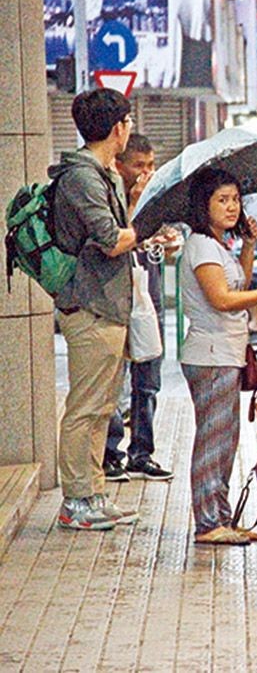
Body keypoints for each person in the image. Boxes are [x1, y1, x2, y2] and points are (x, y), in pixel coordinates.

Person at [179, 168, 257, 545]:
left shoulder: (218, 244)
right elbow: (223, 299)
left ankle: (221, 518)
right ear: (204, 205)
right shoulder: (199, 244)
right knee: (213, 439)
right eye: (222, 200)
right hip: (210, 353)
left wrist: (248, 245)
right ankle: (208, 522)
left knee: (225, 438)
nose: (232, 207)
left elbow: (239, 284)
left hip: (226, 352)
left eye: (235, 199)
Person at [50, 88, 141, 531]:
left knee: (103, 407)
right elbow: (110, 240)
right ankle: (76, 501)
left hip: (106, 306)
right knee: (85, 407)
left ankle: (94, 492)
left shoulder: (101, 173)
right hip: (88, 305)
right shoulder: (83, 178)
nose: (130, 129)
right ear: (116, 127)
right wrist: (141, 229)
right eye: (127, 121)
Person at [103, 134, 176, 483]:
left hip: (150, 290)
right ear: (120, 165)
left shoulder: (157, 197)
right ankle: (110, 452)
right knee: (114, 379)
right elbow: (114, 240)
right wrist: (133, 205)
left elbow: (162, 239)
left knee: (149, 375)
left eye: (151, 165)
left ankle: (142, 452)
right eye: (139, 166)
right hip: (116, 295)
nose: (147, 172)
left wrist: (168, 242)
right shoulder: (109, 195)